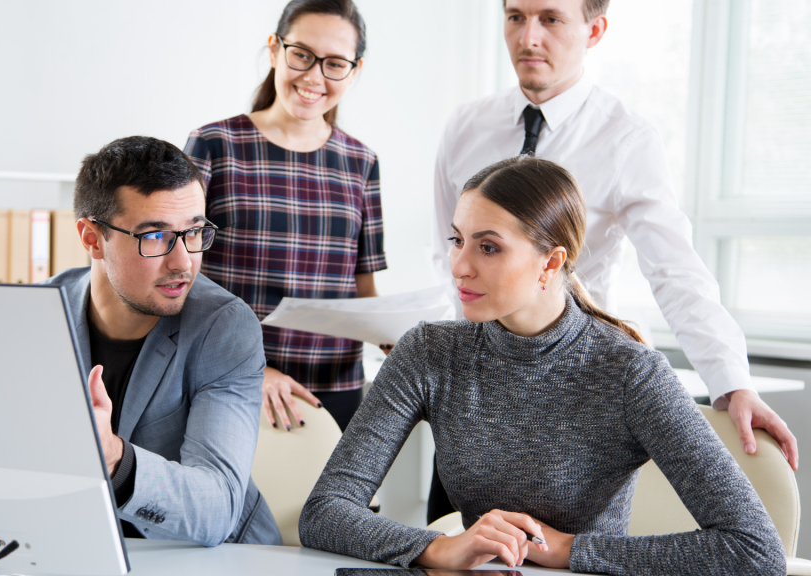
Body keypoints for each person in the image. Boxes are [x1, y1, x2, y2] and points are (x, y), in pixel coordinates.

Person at [299, 157, 787, 575]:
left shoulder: (630, 373)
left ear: (551, 264)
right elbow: (324, 511)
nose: (459, 265)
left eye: (488, 247)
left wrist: (567, 549)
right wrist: (439, 548)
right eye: (457, 239)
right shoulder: (428, 353)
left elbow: (753, 550)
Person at [429, 0, 797, 522]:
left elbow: (674, 269)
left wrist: (731, 380)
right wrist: (461, 345)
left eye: (551, 19)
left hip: (573, 387)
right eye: (515, 17)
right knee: (454, 534)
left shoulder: (626, 138)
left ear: (594, 30)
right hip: (475, 388)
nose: (528, 37)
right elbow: (445, 246)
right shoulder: (466, 125)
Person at [42, 136, 282, 546]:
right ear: (91, 238)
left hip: (214, 558)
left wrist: (115, 459)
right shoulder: (41, 315)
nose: (183, 262)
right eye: (154, 236)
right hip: (80, 546)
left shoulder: (224, 326)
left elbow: (217, 508)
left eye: (193, 232)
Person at [184, 0, 386, 433]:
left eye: (335, 64)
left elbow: (363, 284)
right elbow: (181, 274)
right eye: (302, 55)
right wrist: (252, 369)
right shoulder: (214, 144)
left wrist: (393, 335)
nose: (314, 76)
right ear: (275, 50)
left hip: (334, 391)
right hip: (233, 382)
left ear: (355, 71)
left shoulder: (362, 161)